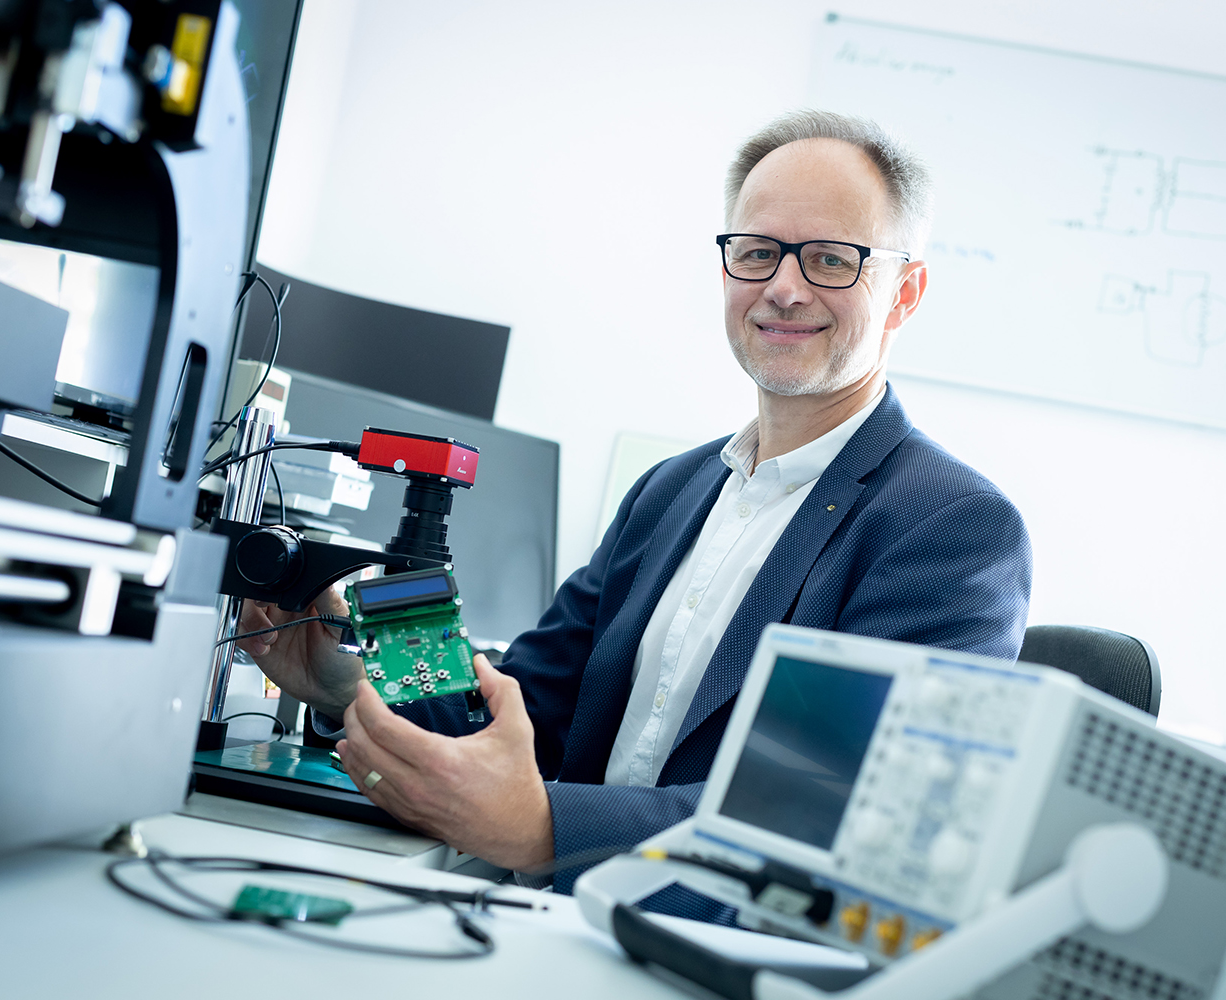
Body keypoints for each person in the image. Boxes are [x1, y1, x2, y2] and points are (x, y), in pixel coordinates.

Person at [240, 109, 1032, 895]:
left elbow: (840, 824)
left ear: (905, 293)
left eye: (830, 259)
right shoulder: (670, 493)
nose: (783, 288)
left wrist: (545, 832)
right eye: (756, 253)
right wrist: (355, 674)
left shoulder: (951, 527)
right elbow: (522, 713)